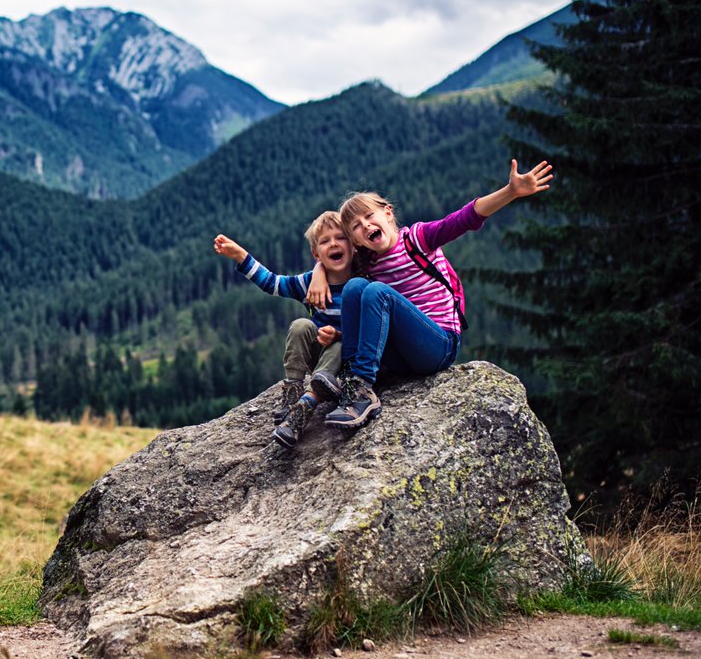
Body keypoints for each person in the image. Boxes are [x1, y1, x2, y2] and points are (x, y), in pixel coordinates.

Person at [307, 159, 554, 430]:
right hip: (403, 356)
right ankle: (351, 380)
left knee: (377, 292)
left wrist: (511, 191)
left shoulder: (417, 239)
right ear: (355, 241)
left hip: (438, 345)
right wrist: (319, 269)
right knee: (355, 287)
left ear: (388, 213)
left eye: (369, 217)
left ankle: (363, 390)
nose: (365, 226)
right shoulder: (367, 262)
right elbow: (334, 260)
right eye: (355, 226)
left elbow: (464, 218)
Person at [213, 210, 354, 448]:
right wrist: (240, 256)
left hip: (348, 365)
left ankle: (305, 408)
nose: (333, 244)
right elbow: (272, 283)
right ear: (315, 253)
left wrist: (339, 335)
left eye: (340, 238)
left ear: (353, 244)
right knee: (301, 325)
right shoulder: (309, 282)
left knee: (338, 343)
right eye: (325, 241)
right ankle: (292, 393)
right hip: (319, 367)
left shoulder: (364, 280)